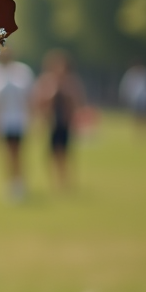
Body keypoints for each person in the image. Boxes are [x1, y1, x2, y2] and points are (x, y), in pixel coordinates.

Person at [0, 55, 35, 201]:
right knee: (7, 153)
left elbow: (30, 99)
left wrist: (34, 120)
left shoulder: (22, 72)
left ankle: (18, 182)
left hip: (19, 120)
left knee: (17, 152)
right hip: (2, 122)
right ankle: (11, 182)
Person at [34, 49, 86, 190]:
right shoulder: (47, 81)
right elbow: (40, 101)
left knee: (65, 152)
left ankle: (65, 181)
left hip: (65, 123)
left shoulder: (70, 82)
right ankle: (55, 182)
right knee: (51, 154)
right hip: (52, 123)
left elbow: (77, 101)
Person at [119, 60, 146, 134]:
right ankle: (138, 131)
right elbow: (126, 86)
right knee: (136, 115)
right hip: (135, 98)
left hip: (145, 98)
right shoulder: (131, 74)